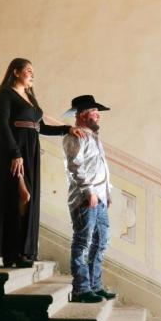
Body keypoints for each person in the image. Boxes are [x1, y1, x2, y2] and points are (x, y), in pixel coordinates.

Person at [0, 58, 85, 268]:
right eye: (28, 70)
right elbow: (2, 125)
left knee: (28, 199)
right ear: (16, 72)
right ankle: (13, 252)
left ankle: (24, 251)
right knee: (21, 195)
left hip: (30, 151)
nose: (32, 74)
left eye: (33, 71)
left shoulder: (30, 97)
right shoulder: (5, 94)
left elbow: (41, 128)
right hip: (11, 150)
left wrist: (67, 129)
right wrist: (15, 153)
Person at [62, 95, 118, 303]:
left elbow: (100, 167)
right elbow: (75, 166)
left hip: (99, 198)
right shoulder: (75, 136)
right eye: (95, 112)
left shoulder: (94, 137)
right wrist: (89, 191)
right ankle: (81, 289)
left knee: (102, 241)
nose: (98, 116)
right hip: (85, 199)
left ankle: (95, 286)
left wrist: (106, 193)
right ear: (82, 115)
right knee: (82, 242)